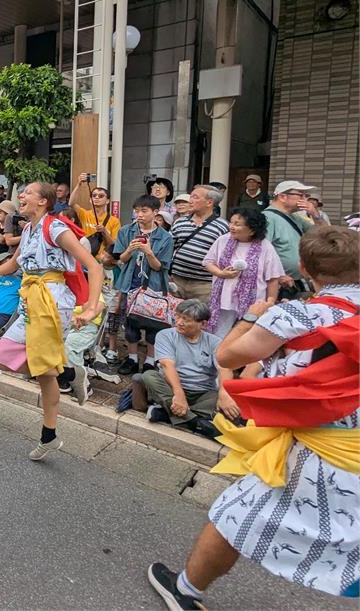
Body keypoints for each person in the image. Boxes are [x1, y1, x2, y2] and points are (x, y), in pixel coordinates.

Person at [148, 225, 360, 608]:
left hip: (318, 446)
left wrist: (252, 316)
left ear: (307, 272)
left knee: (233, 518)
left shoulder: (295, 316)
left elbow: (227, 356)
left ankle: (185, 590)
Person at [0, 182, 104, 459]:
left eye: (28, 193)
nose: (21, 197)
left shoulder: (56, 229)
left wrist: (91, 307)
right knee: (4, 358)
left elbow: (93, 266)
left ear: (43, 202)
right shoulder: (27, 229)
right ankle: (69, 374)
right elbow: (15, 263)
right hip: (30, 298)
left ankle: (49, 433)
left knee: (43, 368)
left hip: (53, 301)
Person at [134, 299, 239, 438]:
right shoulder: (165, 335)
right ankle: (196, 422)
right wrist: (179, 394)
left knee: (232, 404)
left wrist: (224, 394)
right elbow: (167, 365)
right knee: (148, 376)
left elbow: (224, 368)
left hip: (203, 393)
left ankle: (166, 414)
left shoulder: (215, 342)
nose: (179, 322)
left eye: (185, 319)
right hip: (171, 389)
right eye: (177, 316)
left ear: (203, 324)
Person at [112, 195, 175, 374]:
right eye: (137, 210)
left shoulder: (165, 237)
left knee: (153, 324)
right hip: (129, 283)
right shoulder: (126, 231)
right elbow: (121, 259)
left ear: (156, 213)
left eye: (144, 211)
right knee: (130, 324)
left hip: (154, 286)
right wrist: (130, 250)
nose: (139, 215)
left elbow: (159, 266)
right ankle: (132, 358)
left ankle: (149, 360)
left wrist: (148, 252)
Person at [202, 207, 282, 338]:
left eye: (237, 224)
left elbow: (273, 278)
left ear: (252, 230)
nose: (231, 227)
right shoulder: (223, 240)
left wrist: (270, 303)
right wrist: (221, 273)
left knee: (244, 337)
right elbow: (208, 262)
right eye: (231, 222)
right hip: (223, 301)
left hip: (253, 304)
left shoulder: (265, 246)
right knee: (218, 336)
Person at [169, 185, 228, 304]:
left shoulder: (222, 227)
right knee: (173, 318)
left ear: (209, 202)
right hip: (176, 280)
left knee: (198, 318)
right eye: (191, 196)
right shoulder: (180, 222)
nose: (190, 200)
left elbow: (225, 257)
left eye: (195, 197)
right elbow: (169, 248)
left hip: (204, 285)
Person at [262, 180, 317, 297]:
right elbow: (262, 250)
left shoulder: (296, 217)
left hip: (296, 280)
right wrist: (279, 274)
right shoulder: (267, 218)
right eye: (300, 195)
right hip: (279, 283)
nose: (304, 199)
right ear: (282, 197)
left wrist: (315, 215)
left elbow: (324, 234)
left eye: (305, 196)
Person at [71, 174, 120, 261]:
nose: (96, 197)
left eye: (101, 196)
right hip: (84, 259)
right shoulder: (84, 214)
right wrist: (79, 184)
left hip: (102, 261)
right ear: (90, 200)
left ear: (107, 201)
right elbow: (71, 203)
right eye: (94, 195)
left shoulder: (114, 221)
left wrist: (105, 232)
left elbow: (113, 245)